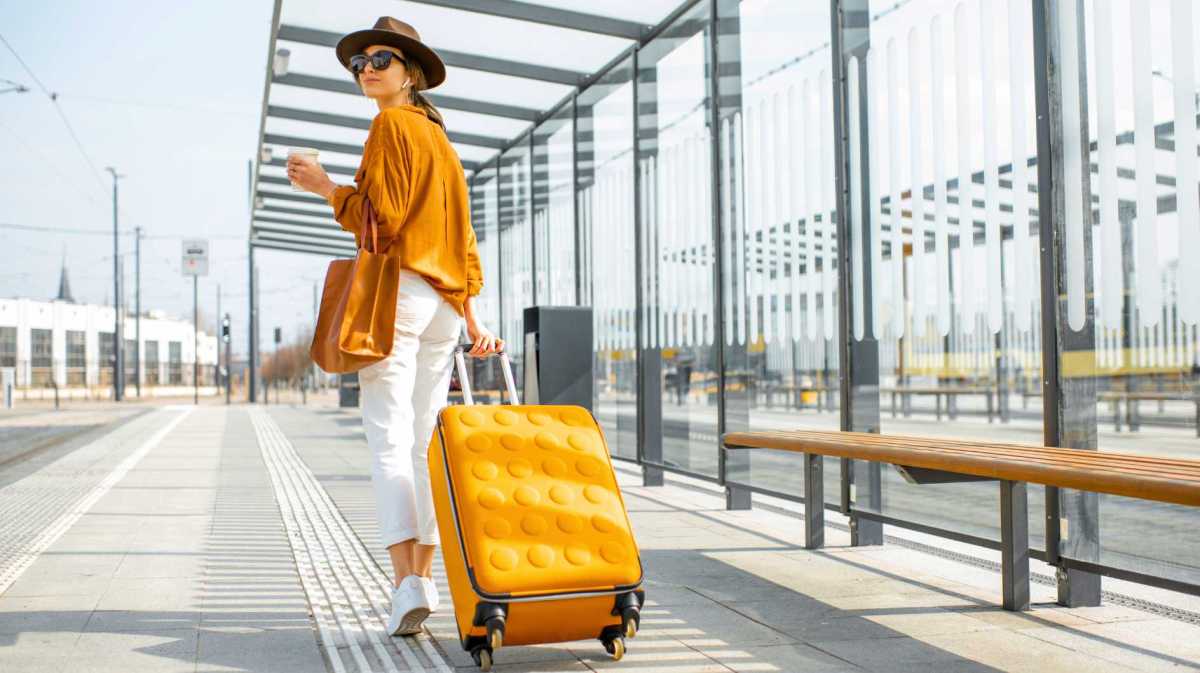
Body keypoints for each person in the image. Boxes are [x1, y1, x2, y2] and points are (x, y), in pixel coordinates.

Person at [287, 16, 503, 637]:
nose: (367, 69)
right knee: (423, 443)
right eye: (360, 63)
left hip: (401, 294)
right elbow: (463, 241)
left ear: (410, 74)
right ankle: (425, 581)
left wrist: (327, 187)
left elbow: (378, 223)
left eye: (381, 59)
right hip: (440, 306)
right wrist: (470, 315)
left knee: (387, 439)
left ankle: (405, 584)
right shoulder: (444, 144)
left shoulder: (390, 126)